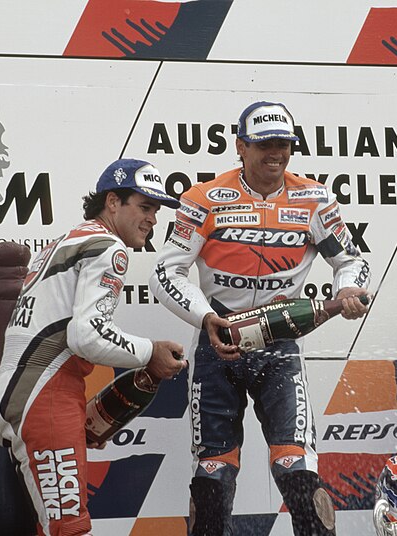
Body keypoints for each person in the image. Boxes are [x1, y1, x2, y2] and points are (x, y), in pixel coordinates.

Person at [149, 101, 370, 536]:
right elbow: (165, 271)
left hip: (280, 342)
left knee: (298, 470)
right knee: (211, 477)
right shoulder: (203, 199)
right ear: (241, 146)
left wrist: (346, 288)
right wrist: (206, 318)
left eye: (284, 144)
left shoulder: (315, 199)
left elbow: (351, 260)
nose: (277, 153)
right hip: (219, 341)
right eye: (265, 144)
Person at [0, 158, 187, 536]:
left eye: (156, 211)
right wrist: (150, 352)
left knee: (49, 526)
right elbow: (87, 336)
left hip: (16, 392)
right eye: (144, 207)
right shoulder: (108, 246)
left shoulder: (63, 241)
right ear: (112, 202)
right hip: (44, 396)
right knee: (68, 530)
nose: (153, 220)